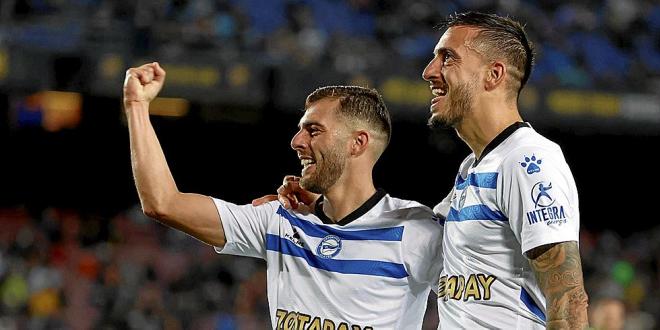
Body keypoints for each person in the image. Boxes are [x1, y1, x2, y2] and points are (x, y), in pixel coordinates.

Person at [266, 11, 589, 329]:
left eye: (448, 58)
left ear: (493, 74)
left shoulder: (528, 159)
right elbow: (417, 235)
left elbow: (568, 296)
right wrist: (323, 208)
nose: (429, 71)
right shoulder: (473, 169)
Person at [123, 62, 443, 330]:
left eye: (313, 130)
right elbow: (163, 203)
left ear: (357, 143)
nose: (296, 141)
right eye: (301, 129)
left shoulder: (413, 229)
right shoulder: (281, 218)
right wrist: (137, 107)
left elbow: (482, 299)